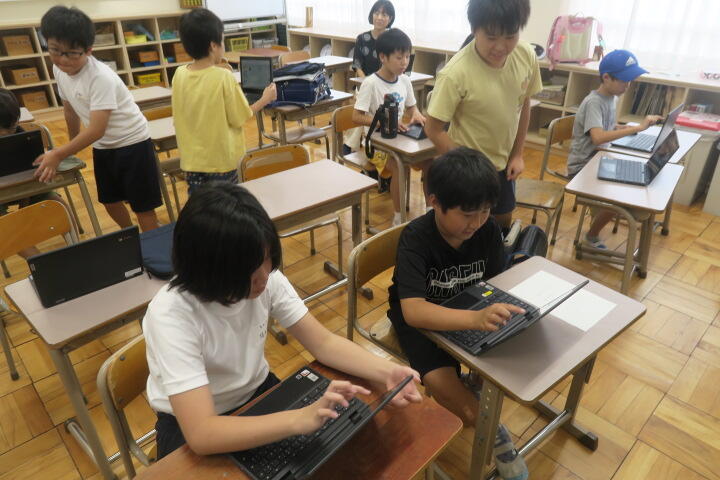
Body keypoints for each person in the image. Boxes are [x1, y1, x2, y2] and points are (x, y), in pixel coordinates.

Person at [143, 182, 422, 459]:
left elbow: (323, 343)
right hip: (190, 424)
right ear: (210, 270)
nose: (264, 276)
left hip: (256, 392)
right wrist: (299, 419)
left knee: (346, 449)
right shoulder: (172, 315)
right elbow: (202, 433)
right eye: (248, 270)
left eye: (266, 258)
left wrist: (386, 371)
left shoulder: (264, 278)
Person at [388, 147, 528, 480]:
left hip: (469, 306)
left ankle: (473, 385)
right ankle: (492, 429)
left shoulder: (487, 230)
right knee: (451, 395)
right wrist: (474, 320)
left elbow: (495, 284)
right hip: (422, 321)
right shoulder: (416, 238)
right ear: (434, 201)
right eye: (467, 214)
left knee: (512, 352)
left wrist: (488, 316)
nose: (476, 223)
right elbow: (414, 311)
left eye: (485, 211)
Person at [37, 6, 161, 232]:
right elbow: (70, 109)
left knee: (142, 207)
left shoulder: (100, 77)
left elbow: (96, 130)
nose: (62, 59)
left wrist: (59, 153)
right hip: (104, 146)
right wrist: (70, 147)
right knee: (110, 201)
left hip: (133, 143)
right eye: (54, 50)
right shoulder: (59, 69)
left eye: (71, 53)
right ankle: (130, 235)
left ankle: (151, 242)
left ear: (89, 50)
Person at [424, 0, 542, 232]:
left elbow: (524, 103)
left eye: (510, 36)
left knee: (500, 228)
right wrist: (467, 167)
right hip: (467, 171)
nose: (500, 47)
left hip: (503, 167)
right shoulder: (455, 73)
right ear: (474, 29)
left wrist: (517, 154)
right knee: (462, 231)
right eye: (491, 37)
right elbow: (433, 128)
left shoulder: (526, 55)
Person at [173, 8, 276, 195]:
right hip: (221, 162)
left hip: (192, 161)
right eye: (222, 40)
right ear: (213, 46)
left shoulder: (179, 74)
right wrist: (264, 99)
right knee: (226, 204)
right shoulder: (223, 77)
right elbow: (240, 117)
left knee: (202, 205)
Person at [567, 49, 662, 249]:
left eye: (630, 80)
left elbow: (606, 127)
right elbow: (598, 137)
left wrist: (624, 128)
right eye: (624, 80)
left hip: (598, 159)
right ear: (606, 77)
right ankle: (591, 237)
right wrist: (637, 128)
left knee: (633, 178)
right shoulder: (594, 102)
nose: (627, 85)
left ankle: (626, 213)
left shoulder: (612, 97)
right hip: (582, 167)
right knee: (619, 196)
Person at [350, 28, 426, 227]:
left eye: (407, 57)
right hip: (375, 144)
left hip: (398, 139)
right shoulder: (371, 83)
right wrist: (383, 120)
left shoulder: (405, 81)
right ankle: (399, 218)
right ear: (383, 57)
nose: (404, 63)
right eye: (399, 58)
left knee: (430, 161)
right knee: (399, 166)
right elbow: (356, 116)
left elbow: (412, 107)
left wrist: (417, 114)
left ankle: (430, 213)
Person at [0, 88, 72, 258]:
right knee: (5, 225)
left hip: (25, 187)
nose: (5, 135)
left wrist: (45, 166)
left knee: (57, 203)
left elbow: (34, 163)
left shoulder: (21, 134)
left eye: (10, 129)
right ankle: (40, 263)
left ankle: (75, 245)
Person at [353, 0, 395, 78]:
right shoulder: (362, 39)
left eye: (384, 15)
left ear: (390, 19)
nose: (379, 18)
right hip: (366, 81)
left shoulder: (393, 40)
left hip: (387, 82)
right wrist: (367, 82)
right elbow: (357, 66)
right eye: (376, 13)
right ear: (372, 15)